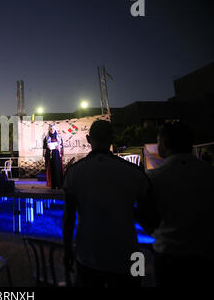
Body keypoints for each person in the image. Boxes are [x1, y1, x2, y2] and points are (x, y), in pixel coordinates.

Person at [62, 120, 152, 287]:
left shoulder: (74, 172)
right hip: (131, 255)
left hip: (88, 254)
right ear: (113, 139)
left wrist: (67, 250)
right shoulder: (133, 173)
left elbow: (68, 217)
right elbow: (148, 216)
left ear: (88, 139)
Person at [146, 122, 214, 287]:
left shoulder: (154, 177)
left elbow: (148, 218)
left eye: (159, 141)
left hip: (168, 255)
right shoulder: (209, 173)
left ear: (166, 144)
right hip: (205, 255)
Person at [45, 124, 63, 189]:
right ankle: (53, 185)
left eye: (53, 129)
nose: (52, 130)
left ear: (55, 129)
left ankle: (59, 184)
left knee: (58, 169)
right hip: (50, 156)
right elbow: (44, 148)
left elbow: (62, 146)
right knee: (52, 170)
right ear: (49, 129)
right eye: (50, 129)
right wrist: (47, 147)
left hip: (57, 156)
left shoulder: (59, 137)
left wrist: (59, 147)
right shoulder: (46, 138)